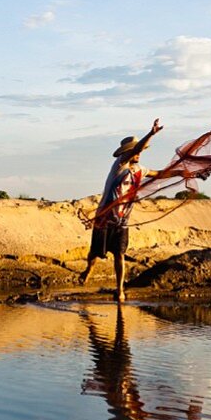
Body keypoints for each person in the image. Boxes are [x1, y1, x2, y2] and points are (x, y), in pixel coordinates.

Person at [78, 118, 164, 302]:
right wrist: (151, 134)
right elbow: (136, 149)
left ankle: (120, 290)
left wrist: (182, 172)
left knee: (120, 254)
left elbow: (159, 174)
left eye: (140, 152)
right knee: (95, 253)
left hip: (122, 221)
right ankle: (89, 270)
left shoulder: (140, 169)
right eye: (136, 151)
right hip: (104, 218)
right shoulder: (120, 165)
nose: (139, 154)